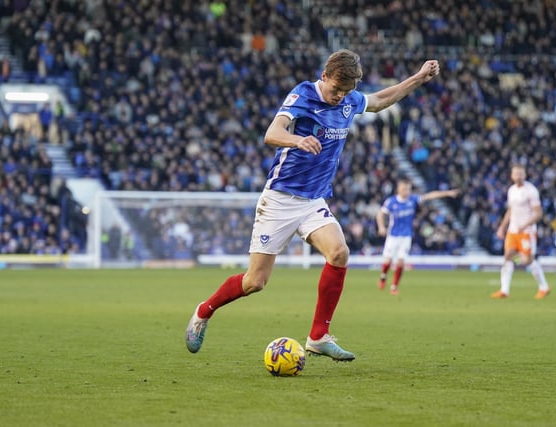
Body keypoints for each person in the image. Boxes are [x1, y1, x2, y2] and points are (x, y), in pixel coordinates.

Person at [186, 49, 441, 361]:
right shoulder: (303, 94)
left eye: (346, 92)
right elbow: (272, 133)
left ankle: (318, 336)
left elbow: (378, 101)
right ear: (324, 76)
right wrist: (297, 140)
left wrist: (417, 78)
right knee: (255, 282)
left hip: (313, 200)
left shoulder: (349, 100)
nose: (339, 97)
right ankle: (203, 311)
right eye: (335, 89)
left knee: (339, 252)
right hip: (280, 198)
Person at [376, 178, 459, 295]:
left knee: (400, 261)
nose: (407, 191)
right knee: (388, 260)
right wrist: (381, 227)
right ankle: (383, 276)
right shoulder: (391, 202)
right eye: (405, 189)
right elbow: (380, 214)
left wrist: (447, 193)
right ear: (399, 189)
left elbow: (430, 196)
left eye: (408, 189)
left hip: (406, 236)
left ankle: (394, 286)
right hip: (393, 235)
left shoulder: (412, 200)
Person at [491, 164, 551, 300]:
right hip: (513, 230)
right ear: (512, 175)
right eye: (515, 173)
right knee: (508, 255)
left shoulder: (531, 191)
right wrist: (502, 227)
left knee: (527, 260)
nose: (518, 176)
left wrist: (524, 225)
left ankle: (544, 287)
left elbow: (538, 213)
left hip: (526, 231)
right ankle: (504, 290)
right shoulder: (511, 190)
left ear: (525, 175)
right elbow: (510, 210)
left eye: (520, 173)